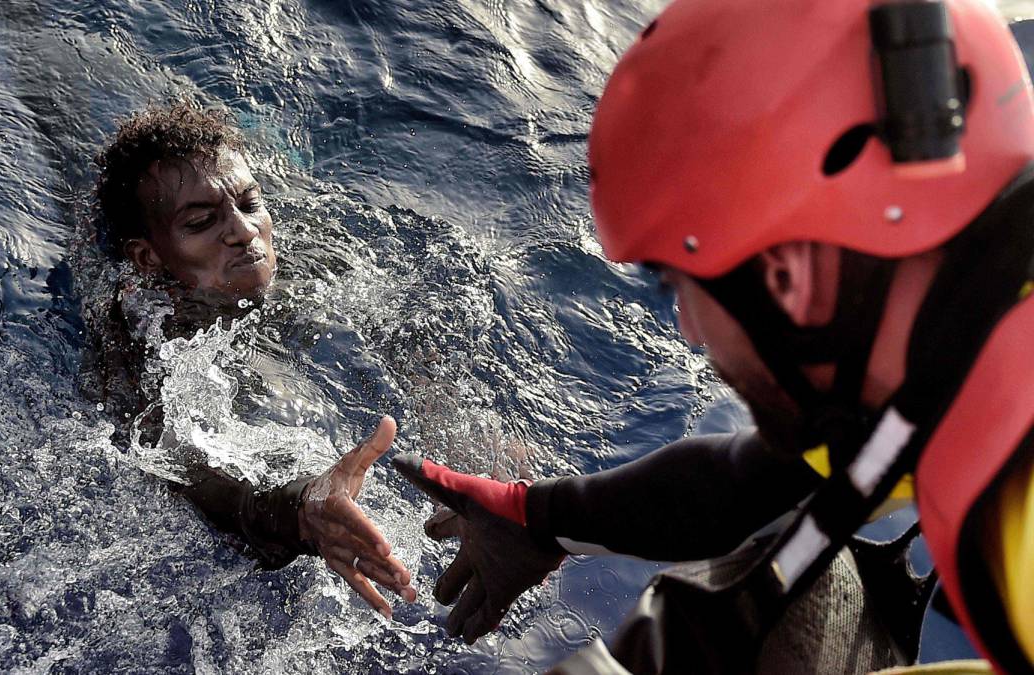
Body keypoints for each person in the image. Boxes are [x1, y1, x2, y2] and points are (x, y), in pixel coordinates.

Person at [394, 0, 1034, 672]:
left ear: (786, 278)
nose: (686, 327)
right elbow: (741, 485)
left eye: (679, 284)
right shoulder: (950, 363)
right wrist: (535, 517)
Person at [88, 102, 417, 618]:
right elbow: (176, 462)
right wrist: (299, 512)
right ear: (148, 258)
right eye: (201, 222)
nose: (243, 230)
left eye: (250, 202)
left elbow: (407, 336)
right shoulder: (145, 337)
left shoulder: (316, 261)